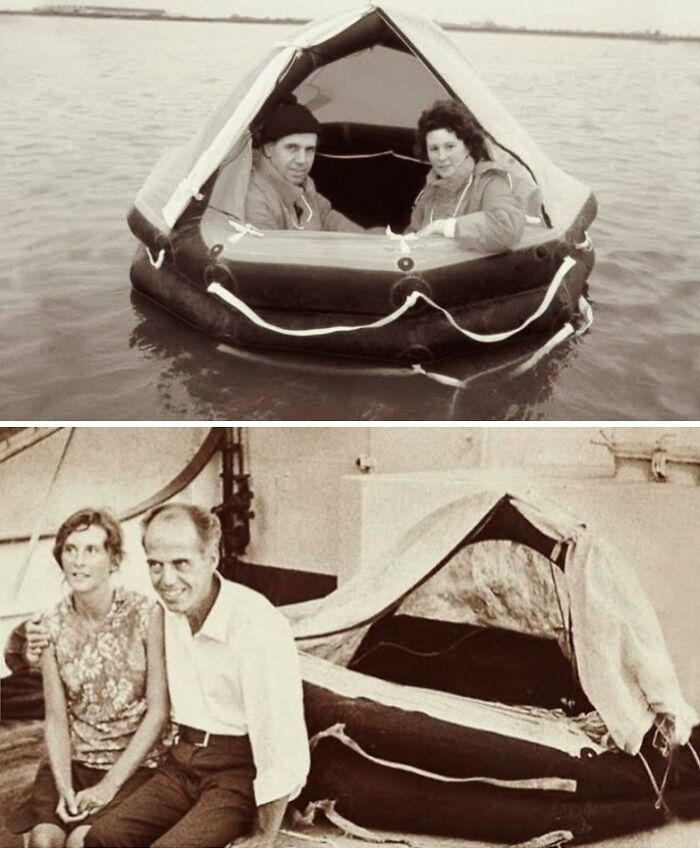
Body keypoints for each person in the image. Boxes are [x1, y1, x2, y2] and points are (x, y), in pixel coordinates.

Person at [9, 508, 169, 849]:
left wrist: (108, 786)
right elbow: (56, 718)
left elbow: (158, 712)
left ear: (113, 560)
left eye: (91, 550)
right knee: (44, 841)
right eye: (70, 549)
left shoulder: (146, 614)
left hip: (134, 766)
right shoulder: (50, 627)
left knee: (84, 842)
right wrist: (65, 787)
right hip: (75, 763)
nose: (78, 561)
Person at [409, 99, 525, 252]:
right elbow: (414, 229)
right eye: (434, 149)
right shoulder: (430, 188)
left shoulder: (490, 182)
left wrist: (445, 227)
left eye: (449, 147)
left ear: (468, 146)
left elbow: (506, 227)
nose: (441, 157)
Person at [245, 97, 364, 233]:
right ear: (269, 149)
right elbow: (272, 251)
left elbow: (328, 218)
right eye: (292, 147)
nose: (302, 160)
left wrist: (372, 243)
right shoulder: (254, 198)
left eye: (309, 150)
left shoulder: (304, 187)